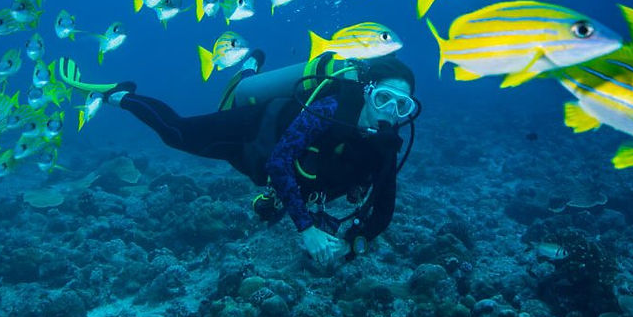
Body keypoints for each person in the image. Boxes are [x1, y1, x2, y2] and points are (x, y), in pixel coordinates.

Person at [56, 51, 420, 263]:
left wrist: (352, 244)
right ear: (367, 92)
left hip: (278, 173)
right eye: (383, 98)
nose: (389, 112)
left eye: (401, 105)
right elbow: (280, 162)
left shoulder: (386, 145)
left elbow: (383, 209)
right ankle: (121, 95)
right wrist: (307, 230)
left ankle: (248, 70)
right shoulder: (329, 108)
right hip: (255, 133)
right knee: (178, 134)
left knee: (277, 200)